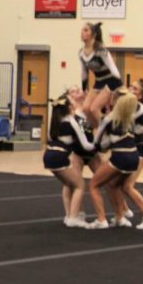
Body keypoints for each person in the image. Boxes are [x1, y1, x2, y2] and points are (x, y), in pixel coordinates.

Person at [88, 92, 143, 230]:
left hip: (120, 157)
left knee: (94, 185)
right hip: (133, 156)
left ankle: (101, 220)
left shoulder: (108, 119)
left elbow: (97, 143)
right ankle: (121, 217)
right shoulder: (130, 118)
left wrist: (86, 147)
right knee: (115, 185)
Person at [42, 94, 95, 227]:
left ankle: (69, 214)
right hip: (60, 156)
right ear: (69, 107)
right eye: (72, 103)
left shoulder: (55, 120)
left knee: (69, 184)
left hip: (48, 155)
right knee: (80, 185)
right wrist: (99, 143)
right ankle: (73, 218)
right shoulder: (71, 121)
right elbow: (86, 144)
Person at [79, 22, 122, 122]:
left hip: (111, 81)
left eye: (86, 30)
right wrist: (84, 89)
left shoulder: (100, 49)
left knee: (94, 109)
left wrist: (119, 85)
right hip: (98, 82)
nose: (82, 33)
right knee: (85, 108)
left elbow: (113, 68)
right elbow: (84, 74)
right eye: (82, 30)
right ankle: (96, 131)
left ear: (93, 34)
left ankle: (106, 130)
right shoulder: (81, 53)